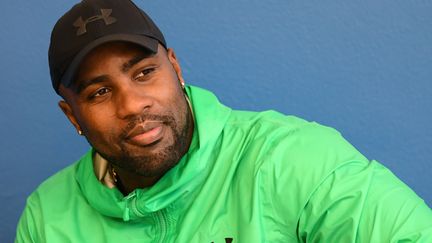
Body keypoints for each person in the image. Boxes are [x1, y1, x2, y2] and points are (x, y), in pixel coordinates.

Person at [15, 0, 432, 242]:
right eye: (99, 92)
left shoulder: (293, 160)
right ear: (73, 115)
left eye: (144, 73)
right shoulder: (46, 217)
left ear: (175, 68)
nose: (132, 105)